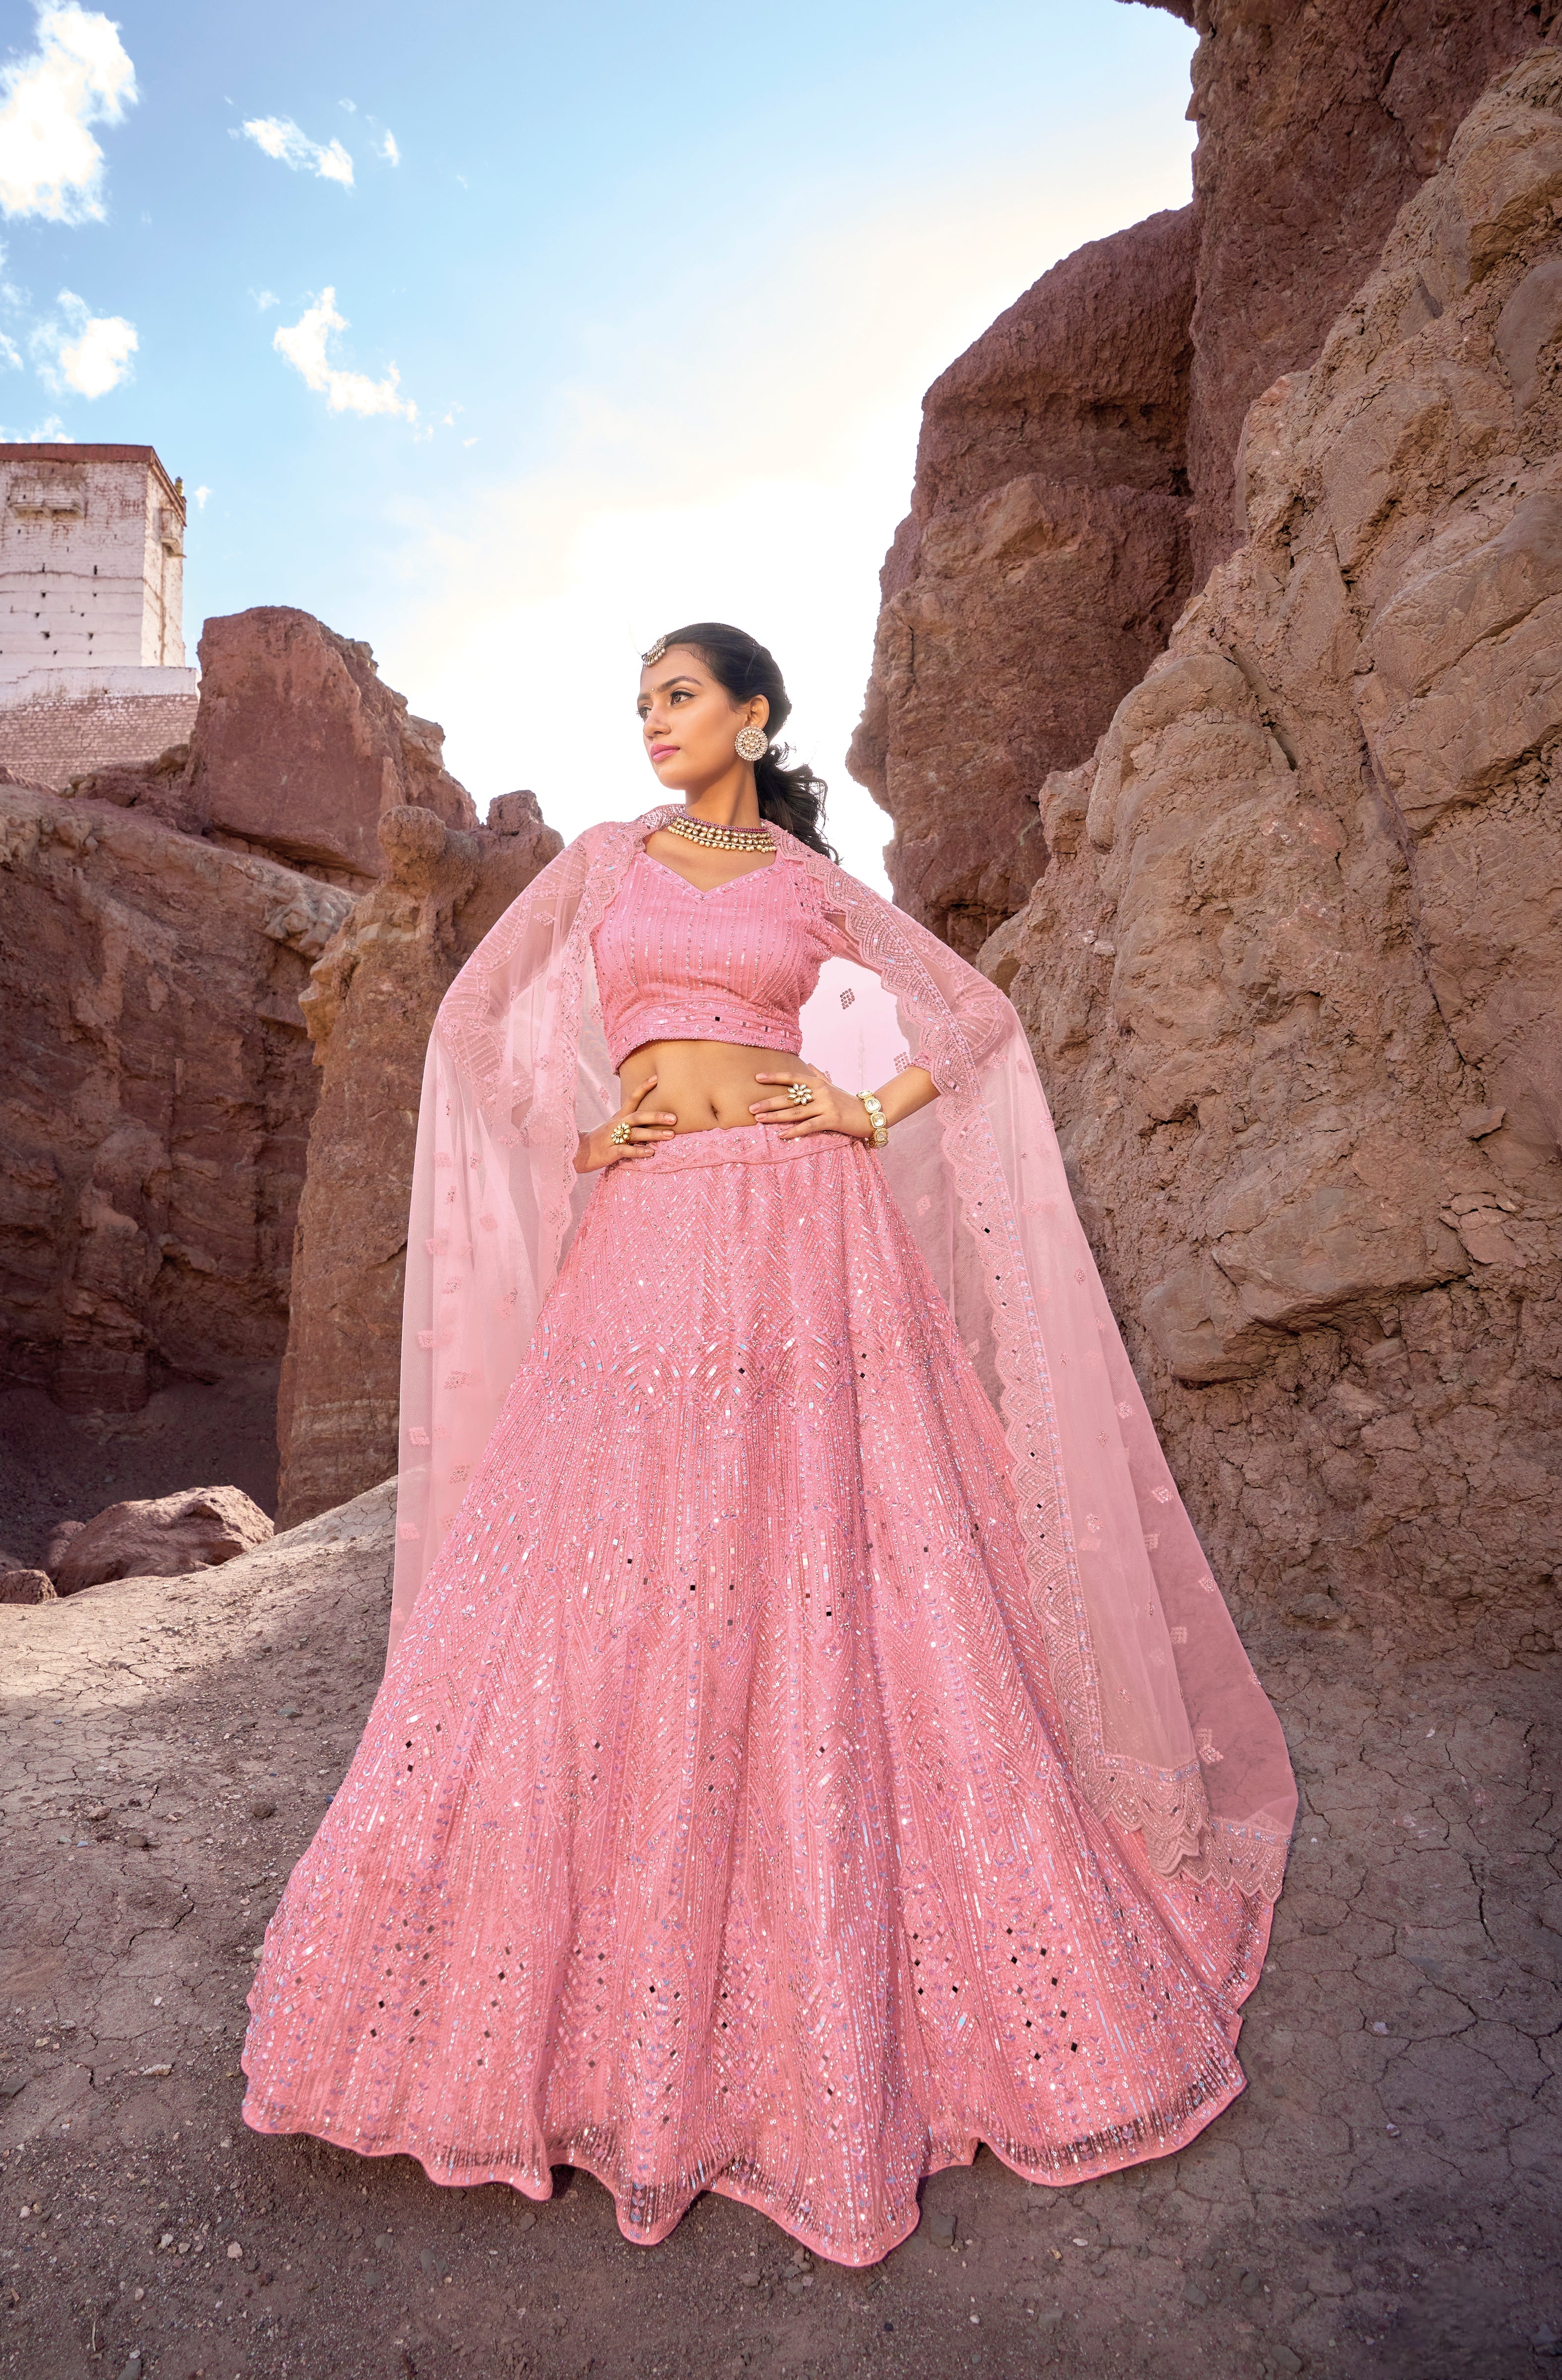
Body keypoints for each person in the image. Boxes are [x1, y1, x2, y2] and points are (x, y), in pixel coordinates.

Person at [240, 623, 1296, 2267]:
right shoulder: (603, 864)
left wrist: (867, 1113)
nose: (653, 723)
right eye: (641, 701)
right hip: (654, 1230)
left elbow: (975, 1014)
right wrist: (580, 1134)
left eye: (679, 696)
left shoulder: (809, 883)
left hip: (815, 1229)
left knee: (835, 1569)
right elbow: (476, 1027)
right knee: (611, 1576)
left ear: (752, 714)